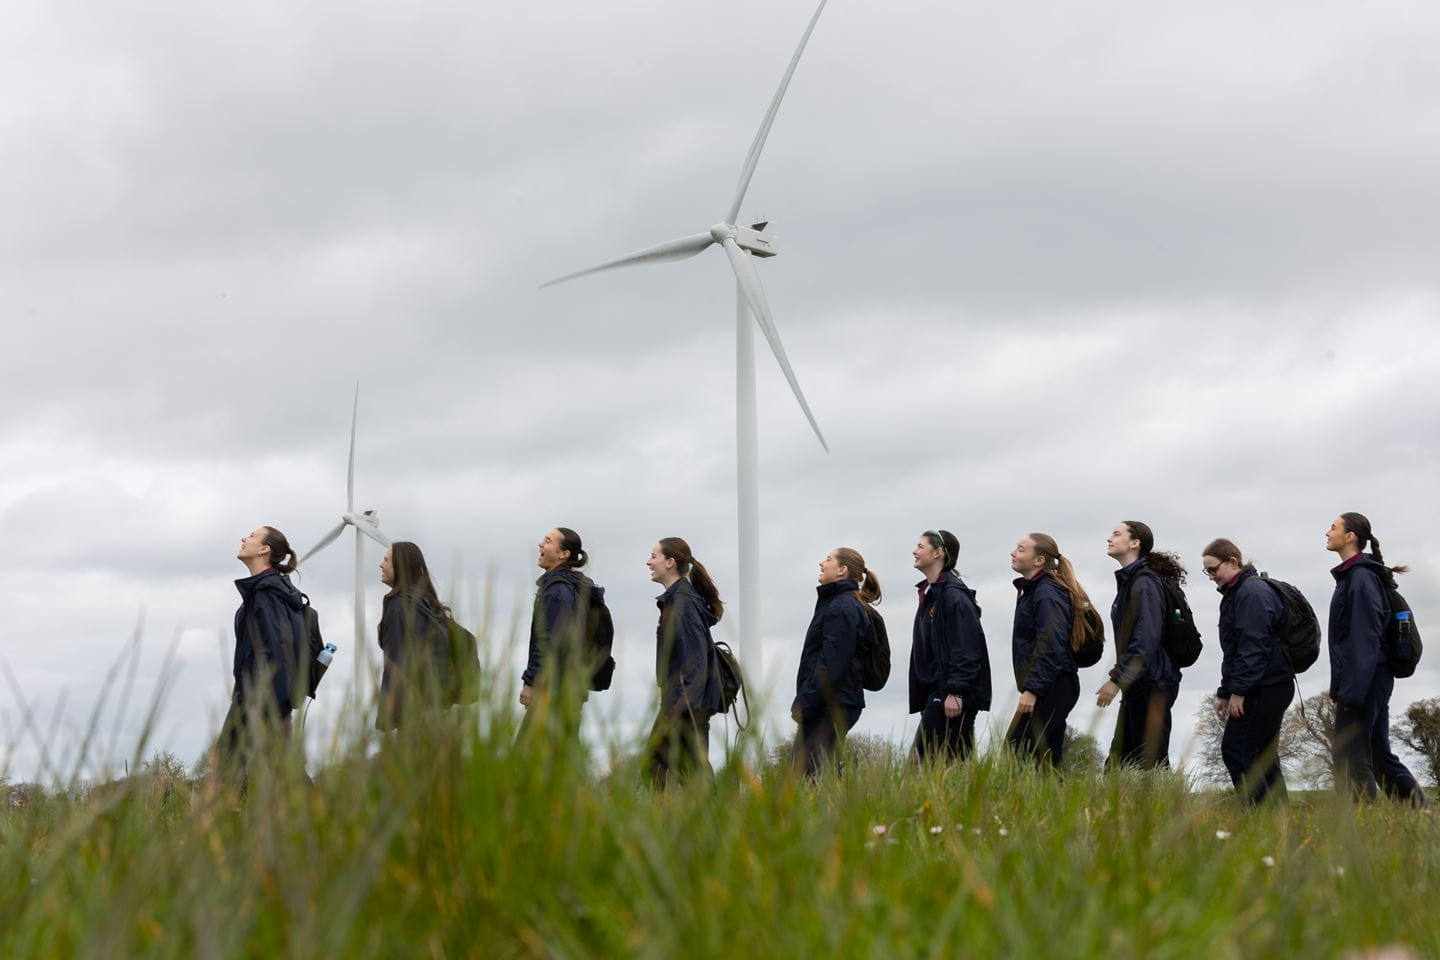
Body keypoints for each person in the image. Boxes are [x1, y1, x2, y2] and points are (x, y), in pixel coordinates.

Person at [1325, 512, 1426, 804]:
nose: (1327, 532)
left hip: (1365, 676)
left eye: (1333, 527)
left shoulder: (1360, 578)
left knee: (1350, 754)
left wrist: (1352, 690)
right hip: (1372, 674)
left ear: (1350, 537)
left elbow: (1365, 636)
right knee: (1377, 753)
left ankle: (1361, 821)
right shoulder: (1355, 576)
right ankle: (1419, 811)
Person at [1202, 538, 1293, 806]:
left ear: (1232, 561)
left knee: (1236, 749)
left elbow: (1253, 647)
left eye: (1213, 569)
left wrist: (1239, 692)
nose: (1211, 576)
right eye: (1206, 572)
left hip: (1265, 686)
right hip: (1268, 683)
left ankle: (1258, 814)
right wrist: (1225, 692)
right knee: (1263, 755)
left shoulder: (1251, 593)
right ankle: (1278, 818)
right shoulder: (1237, 594)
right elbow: (1234, 652)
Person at [220, 525, 305, 783]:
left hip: (259, 699)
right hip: (263, 698)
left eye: (252, 536)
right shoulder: (269, 591)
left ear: (264, 549)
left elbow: (273, 650)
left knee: (229, 765)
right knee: (281, 769)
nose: (244, 538)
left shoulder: (266, 595)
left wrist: (265, 705)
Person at [1096, 520, 1184, 769]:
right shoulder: (1132, 581)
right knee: (1122, 764)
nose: (1109, 538)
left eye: (1116, 534)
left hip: (1152, 683)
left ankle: (1161, 797)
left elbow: (1146, 638)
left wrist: (1117, 679)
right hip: (1140, 683)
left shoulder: (1144, 583)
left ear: (1135, 543)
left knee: (1149, 764)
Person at [792, 547, 880, 776]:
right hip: (831, 703)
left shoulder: (841, 607)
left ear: (842, 570)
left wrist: (804, 702)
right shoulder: (838, 603)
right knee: (816, 773)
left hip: (831, 704)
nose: (821, 563)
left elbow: (831, 663)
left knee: (810, 776)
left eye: (828, 559)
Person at [1006, 533, 1090, 770]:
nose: (1013, 552)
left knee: (1017, 752)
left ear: (1039, 560)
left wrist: (1033, 689)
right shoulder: (1036, 590)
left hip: (1052, 686)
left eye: (1021, 549)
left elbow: (1051, 644)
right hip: (1050, 684)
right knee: (1046, 760)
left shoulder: (1046, 592)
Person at [644, 537, 723, 787]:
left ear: (670, 562)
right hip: (682, 704)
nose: (648, 562)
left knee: (663, 770)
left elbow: (694, 662)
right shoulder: (678, 599)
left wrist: (678, 710)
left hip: (684, 706)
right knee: (681, 773)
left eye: (653, 556)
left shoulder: (683, 603)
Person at [909, 530, 991, 763]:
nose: (914, 551)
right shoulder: (932, 594)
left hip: (950, 694)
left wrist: (956, 691)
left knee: (922, 764)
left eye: (921, 546)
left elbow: (966, 647)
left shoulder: (953, 595)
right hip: (938, 692)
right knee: (955, 765)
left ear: (938, 553)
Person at [520, 527, 605, 741]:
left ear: (564, 554)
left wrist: (531, 682)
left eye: (548, 541)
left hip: (552, 690)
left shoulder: (558, 590)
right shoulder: (573, 588)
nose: (540, 544)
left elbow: (550, 640)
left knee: (529, 756)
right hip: (570, 687)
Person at [376, 541, 451, 733]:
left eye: (386, 560)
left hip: (414, 712)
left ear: (400, 566)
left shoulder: (398, 605)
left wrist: (390, 717)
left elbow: (397, 663)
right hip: (436, 706)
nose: (381, 565)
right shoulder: (427, 603)